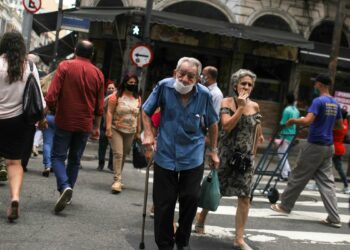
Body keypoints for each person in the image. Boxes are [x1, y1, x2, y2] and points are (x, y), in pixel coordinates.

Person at [142, 57, 220, 250]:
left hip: (192, 155)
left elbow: (213, 123)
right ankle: (164, 244)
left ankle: (182, 241)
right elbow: (145, 111)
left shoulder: (203, 95)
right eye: (181, 74)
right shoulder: (164, 87)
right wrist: (149, 134)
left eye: (190, 76)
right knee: (164, 203)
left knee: (191, 198)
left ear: (198, 79)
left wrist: (214, 151)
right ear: (175, 72)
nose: (184, 79)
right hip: (165, 153)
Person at [196, 69, 264, 250]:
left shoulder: (255, 106)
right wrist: (241, 107)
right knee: (216, 190)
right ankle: (201, 217)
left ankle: (239, 238)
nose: (247, 87)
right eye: (243, 83)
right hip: (226, 155)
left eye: (250, 84)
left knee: (245, 197)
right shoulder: (227, 102)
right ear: (236, 85)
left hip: (246, 159)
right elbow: (226, 126)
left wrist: (254, 154)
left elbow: (256, 132)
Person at [271, 74, 343, 229]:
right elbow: (339, 125)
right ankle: (334, 217)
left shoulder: (318, 101)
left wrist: (294, 121)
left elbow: (308, 120)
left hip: (314, 145)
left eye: (316, 84)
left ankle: (284, 206)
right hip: (328, 146)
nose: (314, 87)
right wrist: (324, 125)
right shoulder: (335, 103)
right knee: (327, 182)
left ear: (320, 85)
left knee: (298, 175)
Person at [45, 40, 104, 214]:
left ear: (75, 50)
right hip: (85, 123)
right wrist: (96, 127)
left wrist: (44, 113)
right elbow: (100, 106)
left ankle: (64, 186)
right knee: (75, 159)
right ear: (92, 54)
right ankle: (67, 191)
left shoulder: (65, 66)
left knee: (57, 156)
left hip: (65, 120)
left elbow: (51, 95)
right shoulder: (98, 74)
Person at [0, 31, 45, 222]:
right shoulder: (30, 67)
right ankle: (15, 198)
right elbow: (39, 99)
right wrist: (42, 119)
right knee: (14, 163)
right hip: (19, 121)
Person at [195, 65, 223, 234]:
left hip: (205, 137)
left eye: (203, 74)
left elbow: (214, 119)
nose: (201, 76)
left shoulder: (215, 94)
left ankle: (200, 218)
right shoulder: (203, 89)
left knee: (201, 175)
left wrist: (211, 143)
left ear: (209, 76)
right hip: (199, 136)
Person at [105, 73, 141, 193]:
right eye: (130, 83)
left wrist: (138, 131)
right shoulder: (116, 96)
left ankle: (118, 178)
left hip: (131, 130)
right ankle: (117, 180)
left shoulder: (138, 98)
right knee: (118, 154)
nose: (133, 85)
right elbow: (109, 112)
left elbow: (138, 115)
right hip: (117, 128)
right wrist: (108, 128)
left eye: (135, 83)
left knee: (124, 154)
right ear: (125, 83)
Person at [276, 92, 300, 181]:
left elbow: (283, 123)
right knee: (283, 154)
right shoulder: (296, 110)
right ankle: (288, 172)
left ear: (286, 100)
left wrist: (278, 132)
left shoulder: (287, 110)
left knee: (281, 154)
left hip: (285, 134)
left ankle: (285, 174)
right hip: (292, 134)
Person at [97, 81, 115, 171]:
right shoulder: (103, 100)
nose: (111, 90)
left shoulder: (116, 99)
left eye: (112, 88)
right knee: (102, 146)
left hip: (113, 126)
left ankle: (111, 165)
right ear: (106, 90)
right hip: (103, 125)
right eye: (109, 88)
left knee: (113, 147)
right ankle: (101, 164)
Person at [332, 108, 350, 194]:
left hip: (334, 148)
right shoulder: (345, 123)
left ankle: (346, 186)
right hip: (339, 148)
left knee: (323, 165)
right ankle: (346, 186)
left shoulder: (338, 126)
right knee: (338, 168)